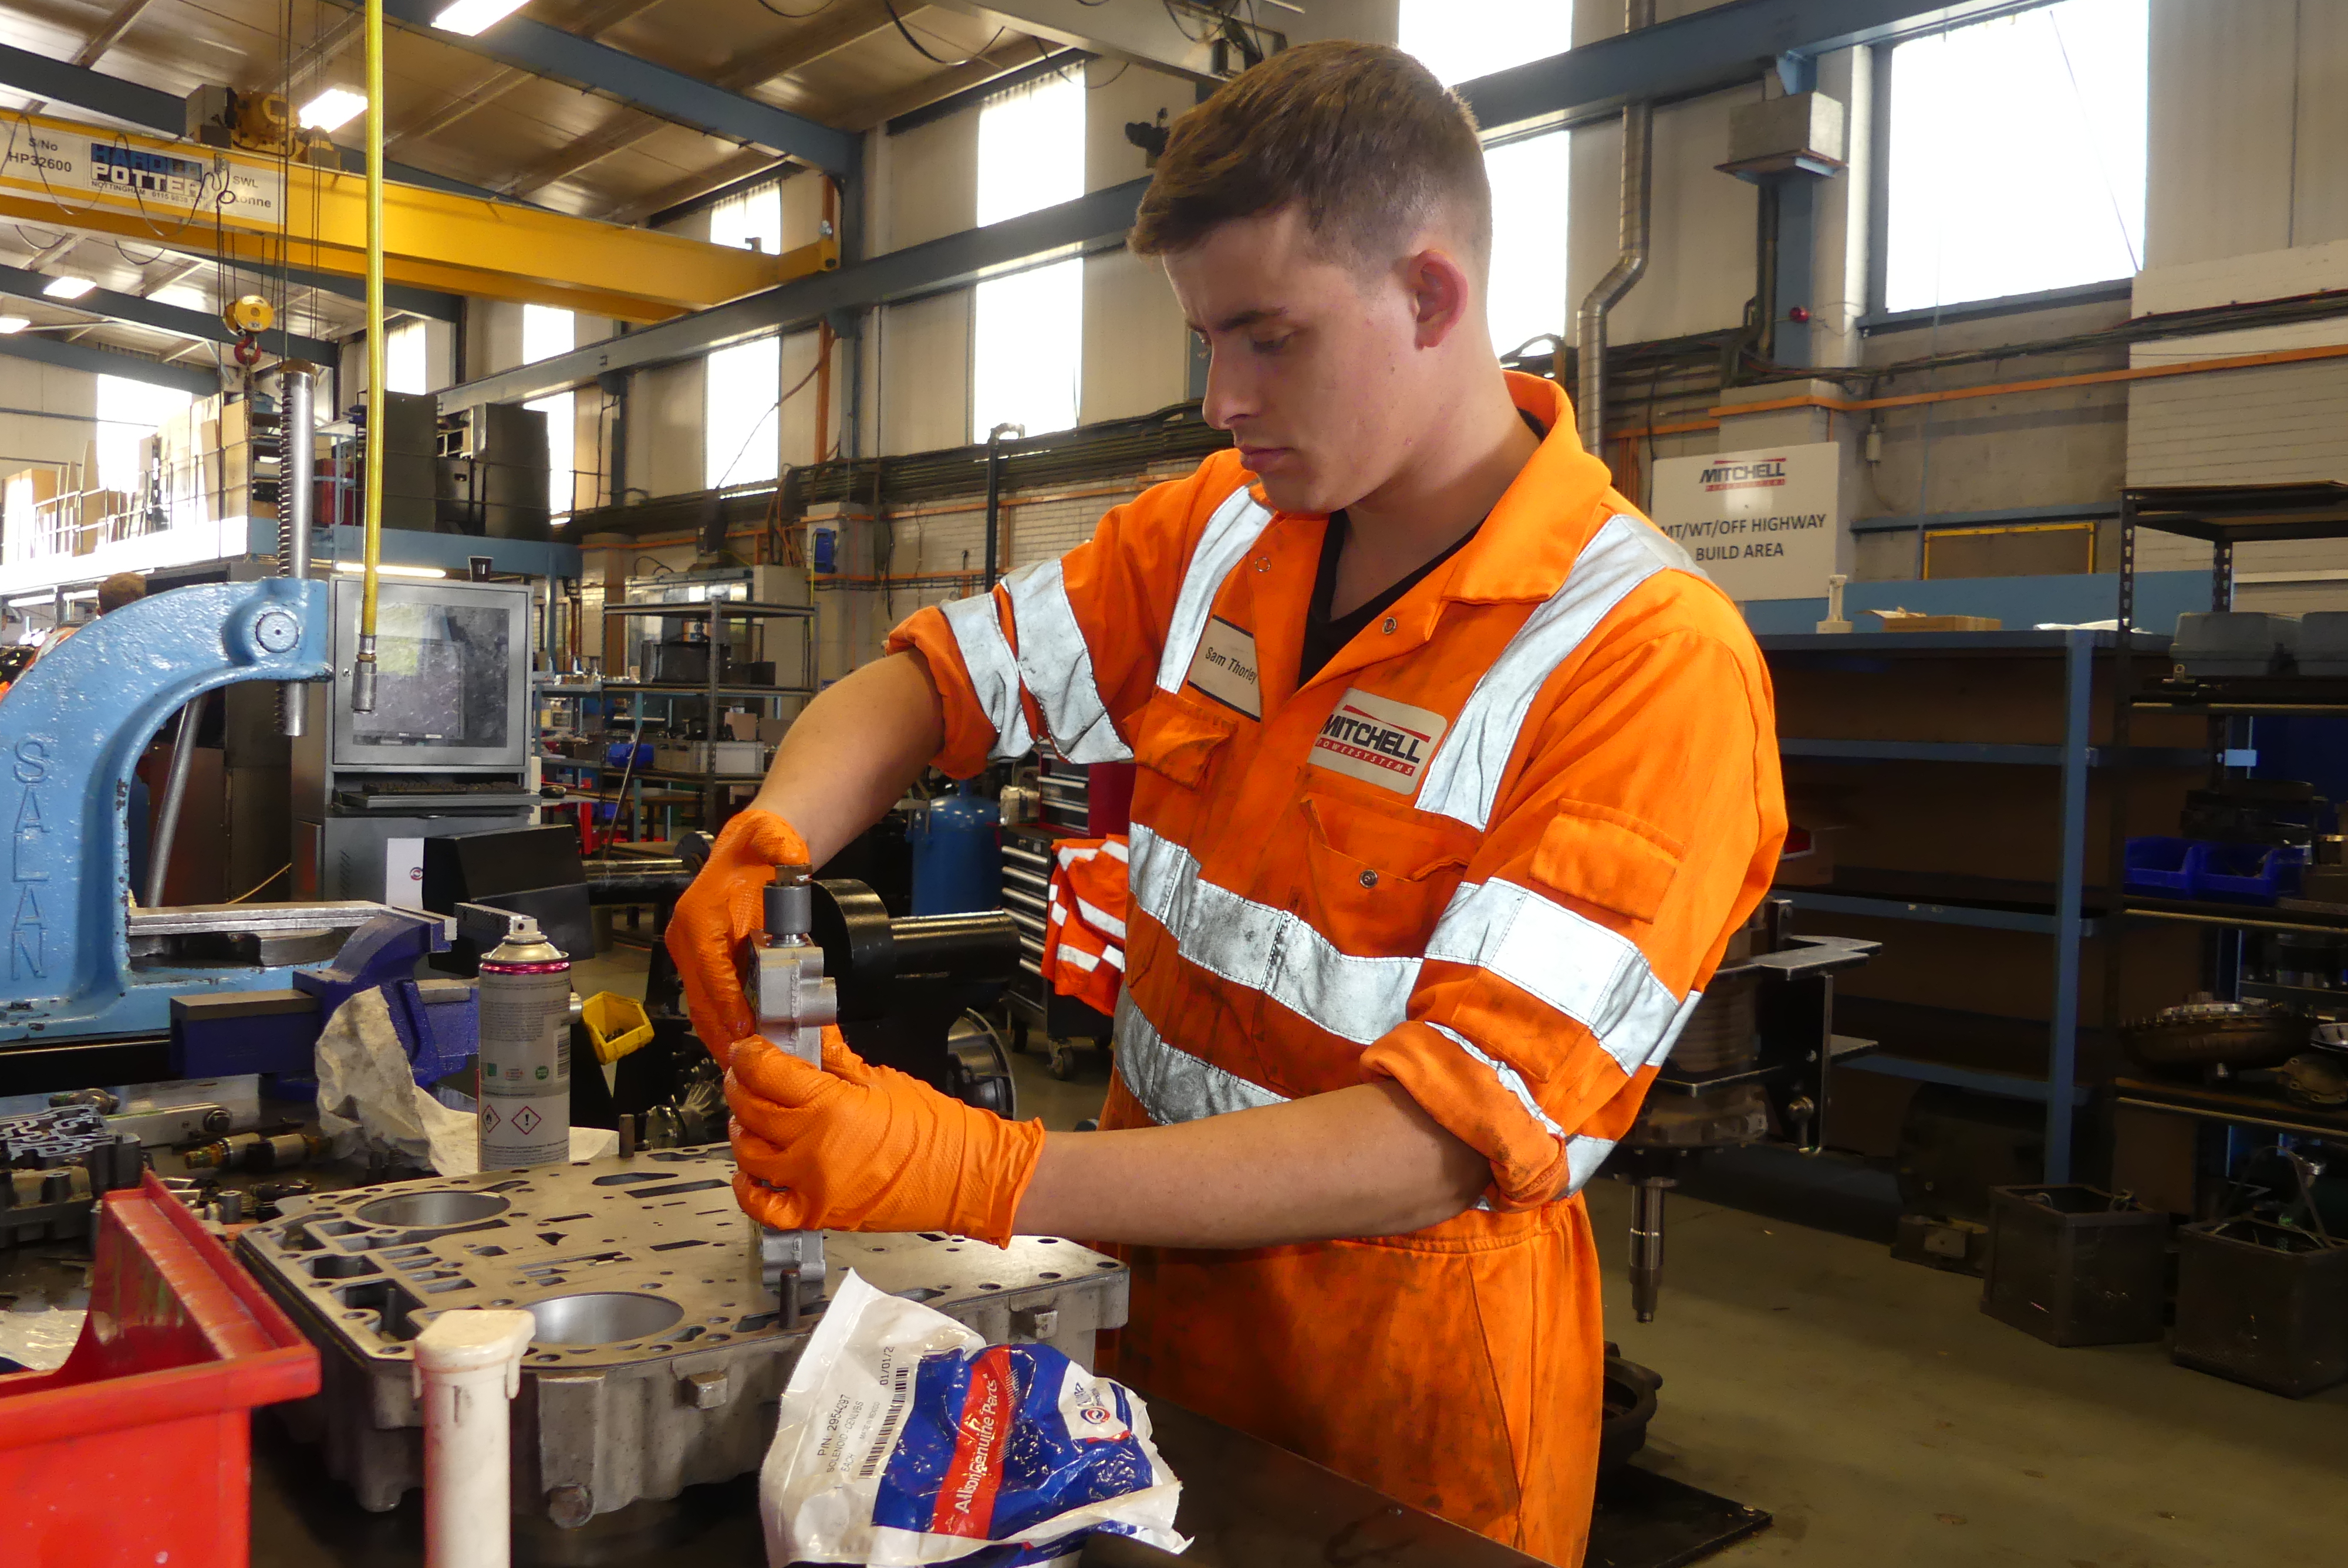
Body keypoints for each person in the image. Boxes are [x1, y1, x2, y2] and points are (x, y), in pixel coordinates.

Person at [668, 42, 1785, 1567]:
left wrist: (988, 1172)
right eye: (1208, 340)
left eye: (1267, 338)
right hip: (1147, 1328)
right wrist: (776, 833)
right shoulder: (1225, 531)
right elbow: (930, 684)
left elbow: (1442, 1139)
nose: (1223, 398)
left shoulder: (1645, 664)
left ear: (1433, 299)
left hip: (1398, 1410)